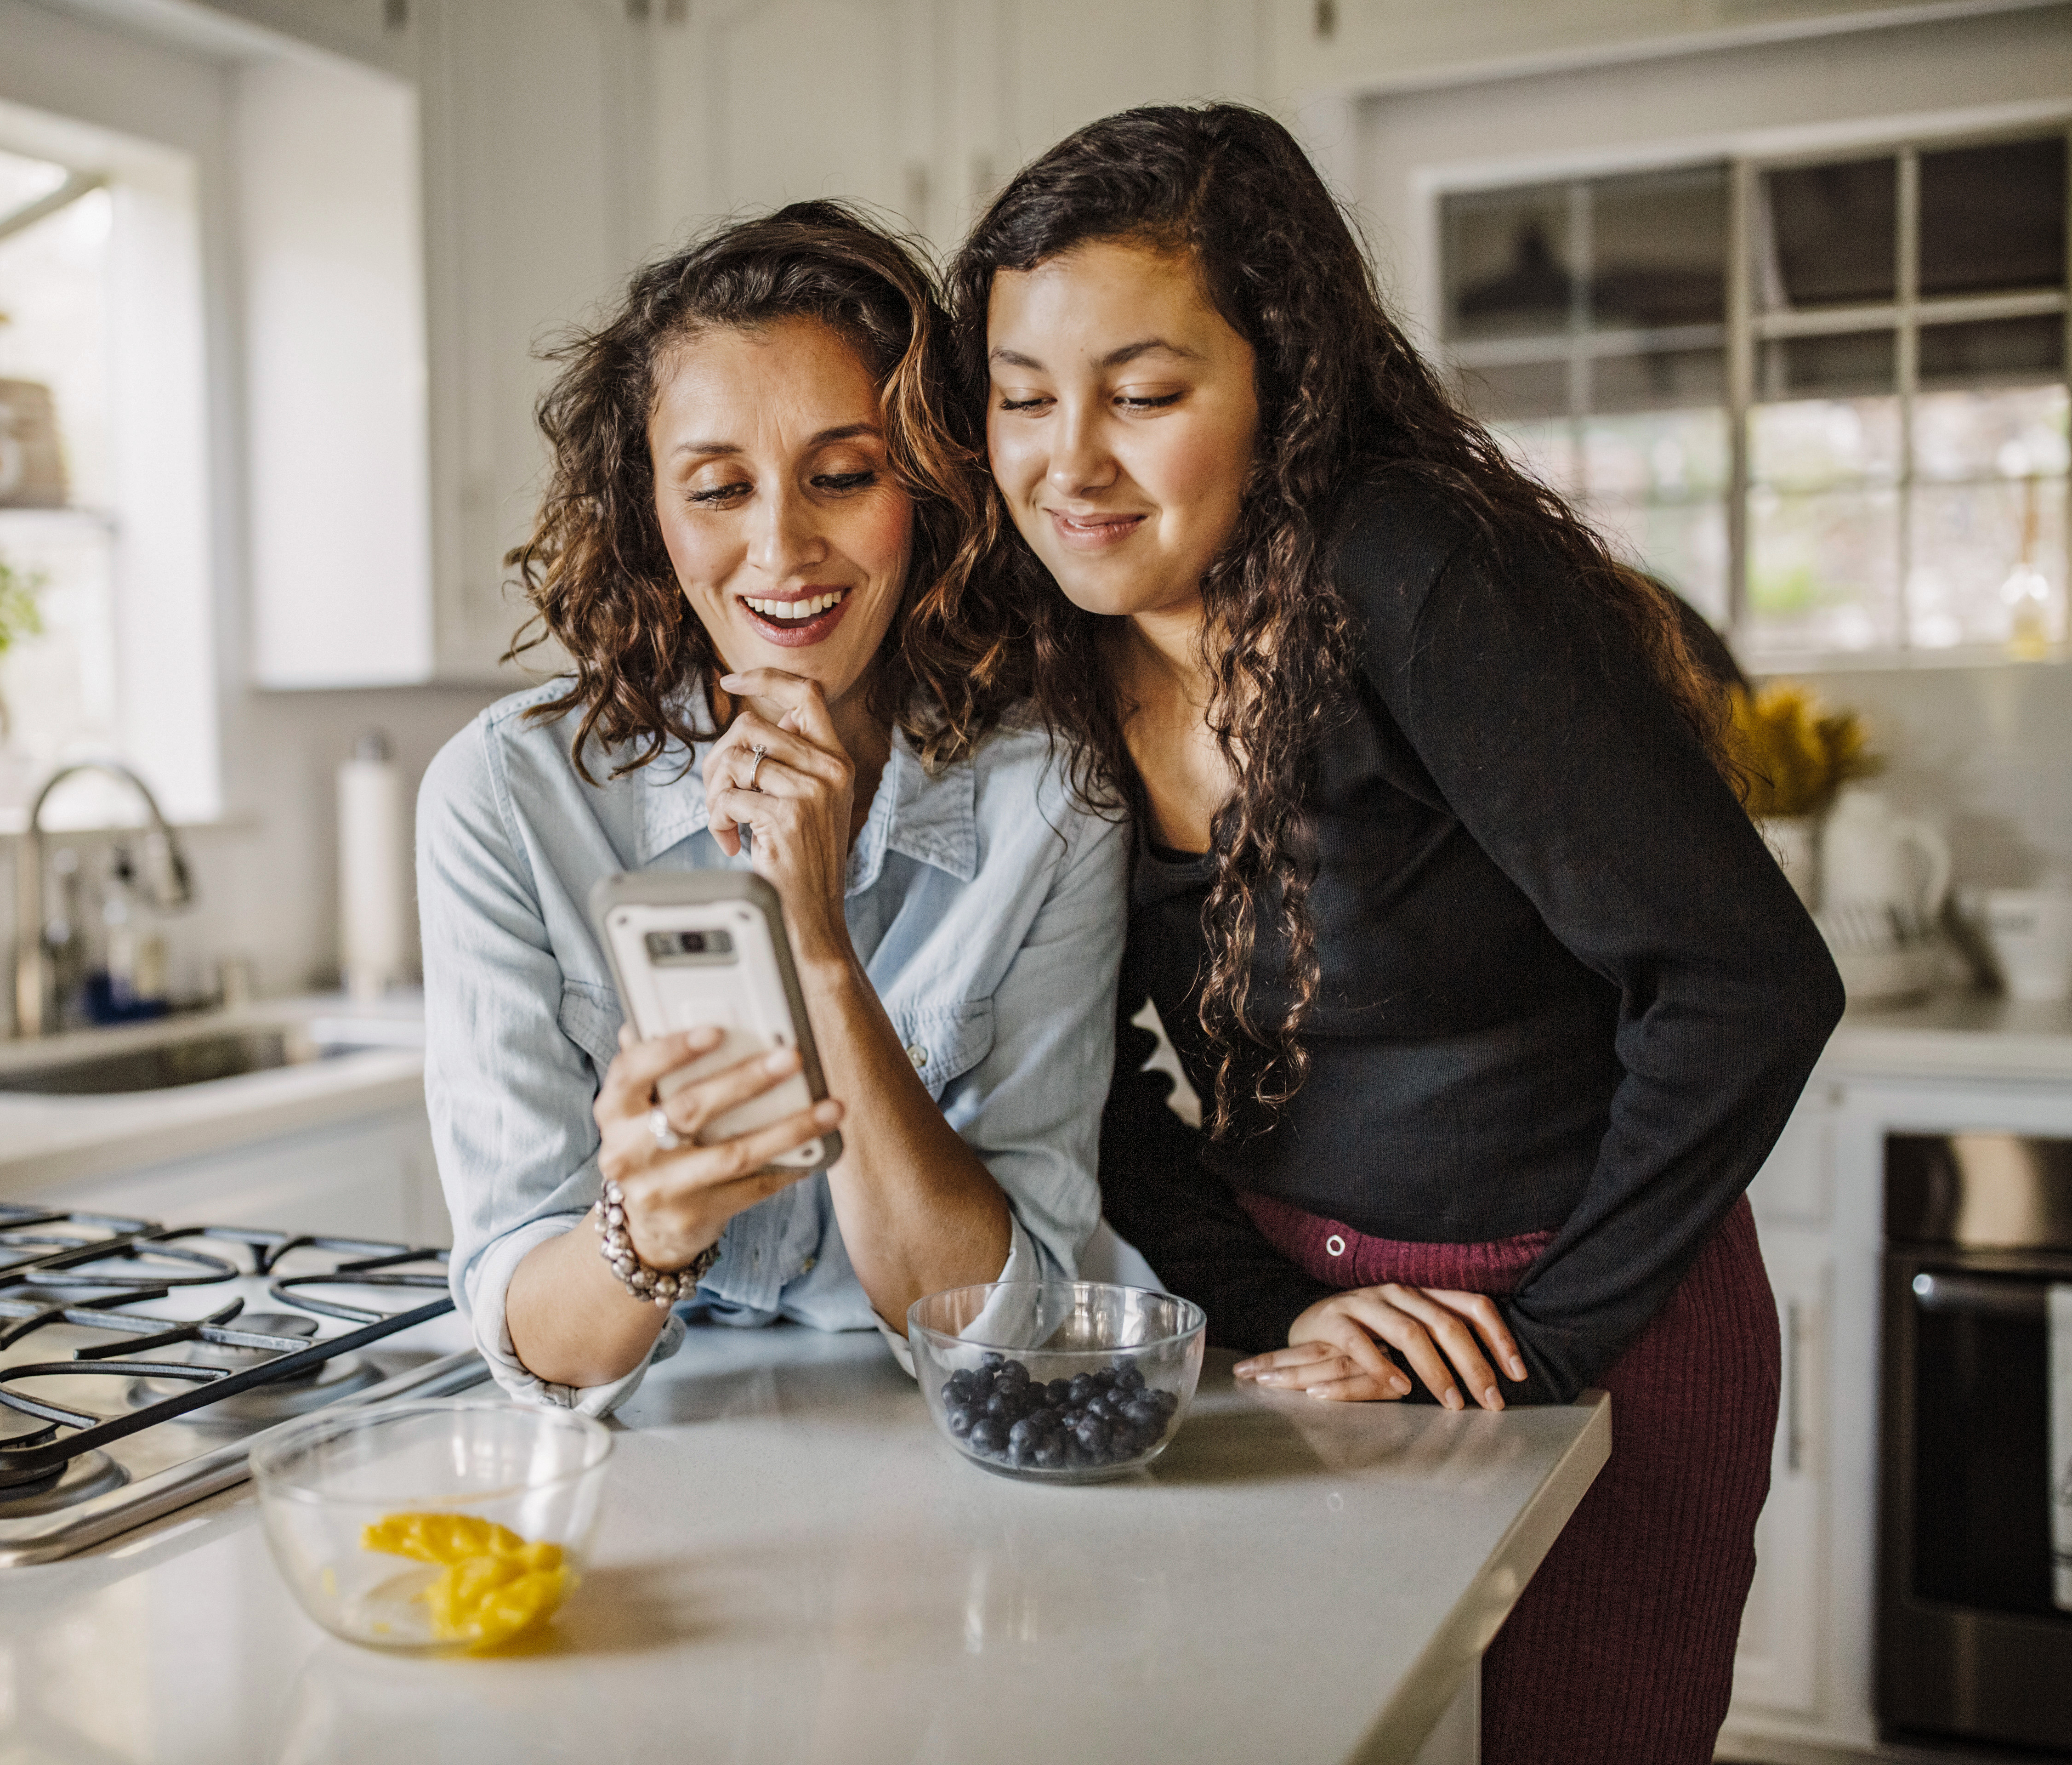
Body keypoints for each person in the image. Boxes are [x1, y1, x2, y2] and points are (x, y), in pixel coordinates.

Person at [947, 106, 1843, 1762]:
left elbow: (1747, 984)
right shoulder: (1051, 652)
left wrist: (1547, 1352)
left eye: (1144, 395)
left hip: (1588, 1322)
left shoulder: (1421, 580)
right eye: (1022, 397)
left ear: (1283, 375)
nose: (1069, 460)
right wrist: (1274, 1309)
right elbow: (1080, 1077)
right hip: (1303, 1343)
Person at [419, 201, 1128, 1416]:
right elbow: (535, 1332)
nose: (782, 549)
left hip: (941, 1465)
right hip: (651, 1460)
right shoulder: (505, 800)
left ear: (933, 486)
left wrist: (816, 947)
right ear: (649, 511)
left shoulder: (1053, 805)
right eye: (717, 491)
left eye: (843, 477)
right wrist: (642, 1234)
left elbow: (1000, 1334)